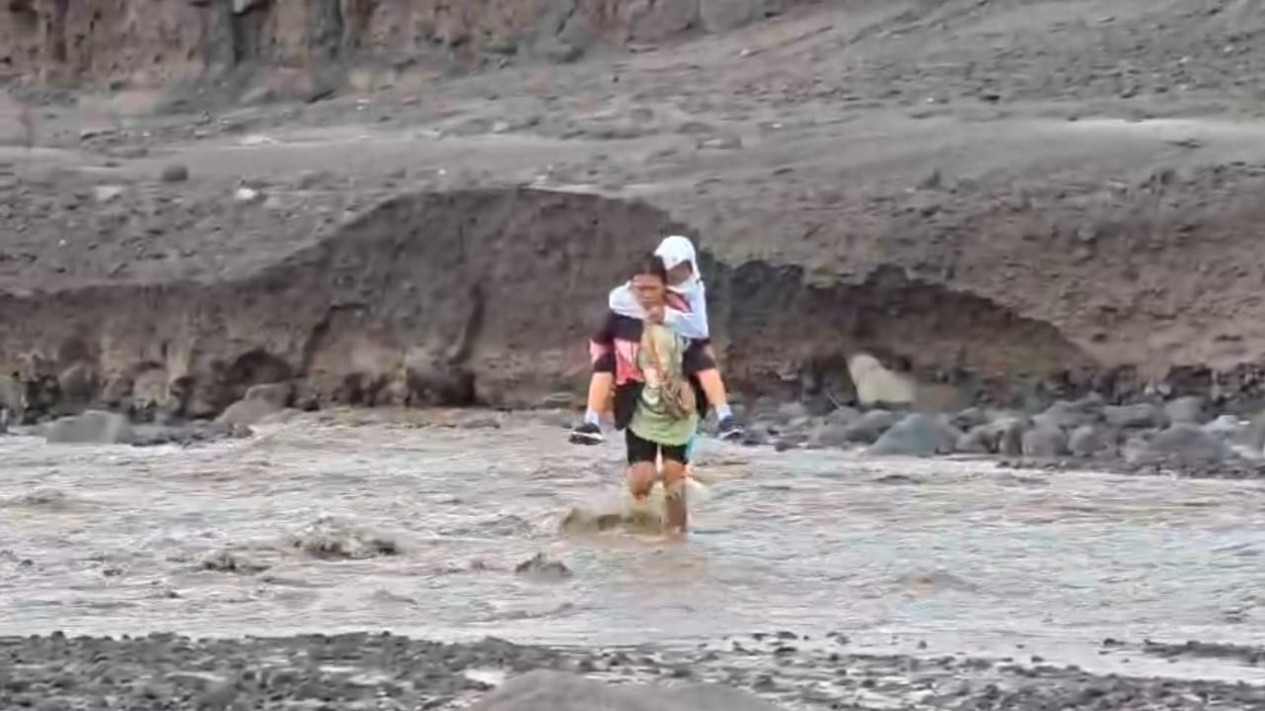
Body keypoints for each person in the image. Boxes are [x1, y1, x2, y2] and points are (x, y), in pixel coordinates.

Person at [570, 235, 742, 446]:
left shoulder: (689, 294)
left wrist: (667, 316)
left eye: (684, 269)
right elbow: (602, 337)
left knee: (703, 360)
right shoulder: (624, 300)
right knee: (604, 365)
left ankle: (725, 417)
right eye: (673, 271)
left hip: (673, 361)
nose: (679, 276)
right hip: (632, 363)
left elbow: (699, 331)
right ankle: (591, 422)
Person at [588, 254, 713, 535]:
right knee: (641, 481)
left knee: (673, 474)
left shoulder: (683, 315)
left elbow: (704, 351)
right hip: (638, 405)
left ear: (665, 287)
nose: (644, 295)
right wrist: (605, 388)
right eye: (638, 288)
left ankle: (678, 537)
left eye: (651, 288)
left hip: (677, 407)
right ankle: (641, 526)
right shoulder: (621, 316)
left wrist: (710, 395)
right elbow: (599, 345)